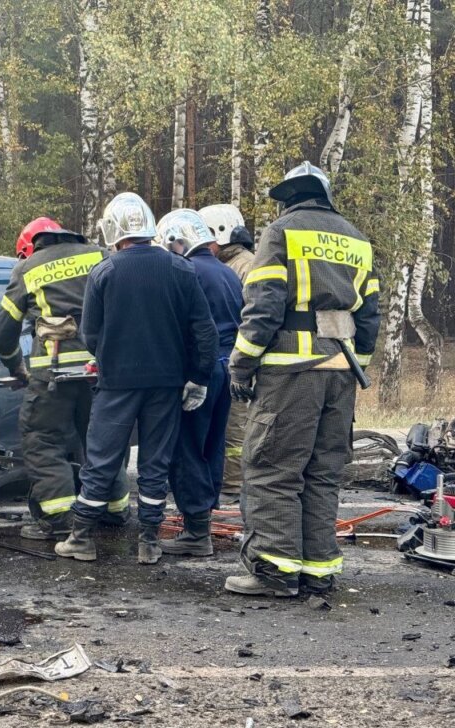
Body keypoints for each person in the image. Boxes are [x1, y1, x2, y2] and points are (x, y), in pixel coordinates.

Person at [225, 162, 380, 597]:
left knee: (273, 468)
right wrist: (356, 365)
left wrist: (242, 364)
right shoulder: (357, 239)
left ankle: (273, 571)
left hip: (291, 375)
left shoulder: (281, 232)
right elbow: (369, 316)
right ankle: (318, 569)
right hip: (341, 375)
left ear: (287, 198)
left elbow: (264, 306)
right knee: (322, 471)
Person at [55, 193, 218, 564]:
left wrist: (109, 358)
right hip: (167, 385)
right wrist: (198, 377)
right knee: (155, 464)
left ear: (114, 231)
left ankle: (81, 538)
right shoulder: (181, 269)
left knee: (102, 459)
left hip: (117, 385)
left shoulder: (105, 271)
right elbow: (204, 332)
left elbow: (90, 333)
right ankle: (149, 541)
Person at [0, 217, 130, 541]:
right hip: (101, 372)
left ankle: (61, 520)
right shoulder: (100, 256)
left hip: (53, 376)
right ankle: (114, 511)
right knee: (102, 443)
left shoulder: (28, 269)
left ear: (29, 247)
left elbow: (3, 332)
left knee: (43, 441)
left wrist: (16, 367)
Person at [156, 209, 242, 557]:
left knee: (187, 447)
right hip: (226, 370)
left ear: (179, 241)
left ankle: (195, 530)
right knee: (212, 445)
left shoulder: (187, 272)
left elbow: (182, 328)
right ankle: (202, 515)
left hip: (199, 373)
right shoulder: (227, 273)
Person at [199, 204, 256, 507]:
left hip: (236, 357)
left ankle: (232, 484)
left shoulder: (244, 265)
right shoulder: (232, 263)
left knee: (234, 425)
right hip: (229, 356)